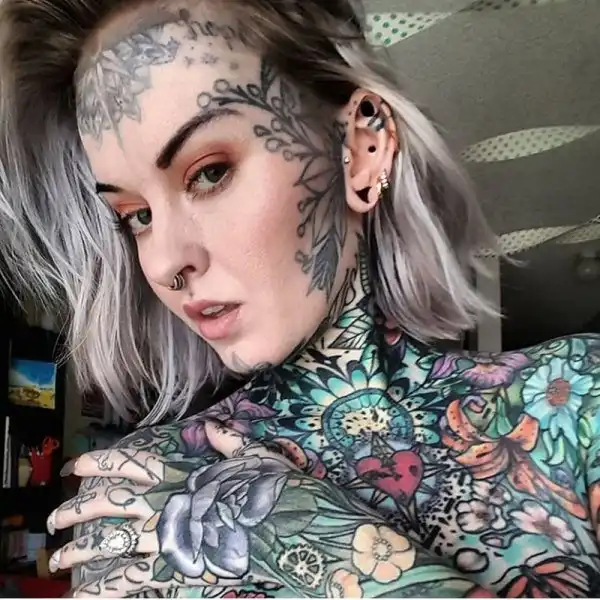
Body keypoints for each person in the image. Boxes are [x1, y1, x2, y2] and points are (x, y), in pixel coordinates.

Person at [0, 0, 599, 597]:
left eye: (209, 172)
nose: (163, 263)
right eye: (136, 216)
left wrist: (315, 542)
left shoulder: (575, 403)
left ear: (362, 149)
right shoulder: (146, 488)